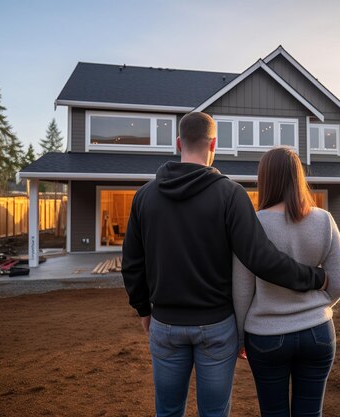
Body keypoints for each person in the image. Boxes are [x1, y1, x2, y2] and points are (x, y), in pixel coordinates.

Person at [121, 112, 328, 417]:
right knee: (215, 413)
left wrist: (143, 309)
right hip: (216, 327)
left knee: (167, 412)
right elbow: (262, 259)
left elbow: (132, 264)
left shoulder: (144, 197)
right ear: (213, 144)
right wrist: (315, 277)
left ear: (178, 143)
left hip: (165, 324)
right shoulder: (230, 194)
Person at [233, 147, 340, 417]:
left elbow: (242, 288)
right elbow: (339, 284)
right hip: (317, 332)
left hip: (266, 335)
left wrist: (240, 338)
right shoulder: (324, 220)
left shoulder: (254, 224)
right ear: (298, 177)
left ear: (265, 179)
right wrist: (316, 307)